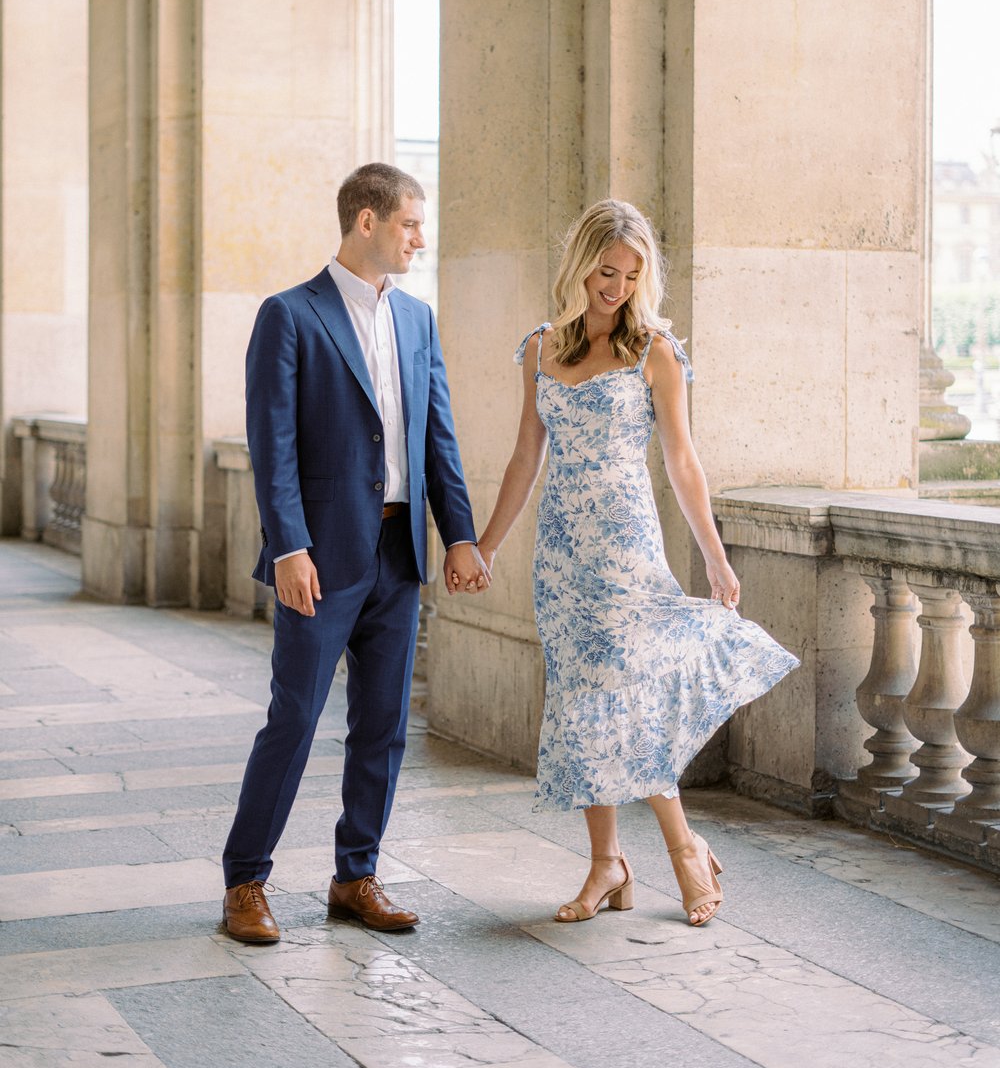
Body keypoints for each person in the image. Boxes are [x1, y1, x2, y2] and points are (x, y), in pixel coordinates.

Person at [476, 199, 798, 927]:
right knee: (586, 702)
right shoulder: (539, 349)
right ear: (580, 264)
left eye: (629, 275)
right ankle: (607, 865)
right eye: (605, 271)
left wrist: (714, 556)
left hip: (627, 551)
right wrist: (489, 541)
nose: (615, 286)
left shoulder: (655, 351)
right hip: (561, 557)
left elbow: (682, 462)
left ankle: (682, 846)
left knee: (632, 697)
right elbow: (526, 456)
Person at [222, 162, 490, 943]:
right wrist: (288, 546)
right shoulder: (290, 315)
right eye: (410, 222)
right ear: (366, 221)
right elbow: (270, 445)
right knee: (296, 717)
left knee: (384, 723)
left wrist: (461, 532)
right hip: (321, 555)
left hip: (399, 551)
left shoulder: (418, 320)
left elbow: (436, 435)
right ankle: (245, 880)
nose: (420, 237)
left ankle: (355, 874)